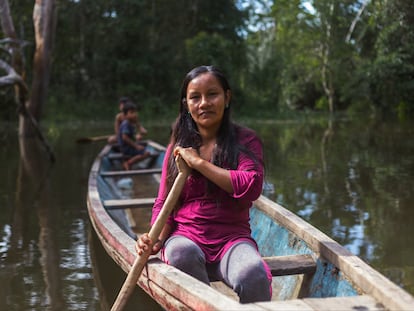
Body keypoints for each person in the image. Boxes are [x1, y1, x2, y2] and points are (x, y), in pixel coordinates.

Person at [136, 65, 272, 303]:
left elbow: (251, 186)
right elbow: (164, 203)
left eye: (212, 94)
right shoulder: (177, 148)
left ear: (226, 97)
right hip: (186, 236)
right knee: (180, 254)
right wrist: (154, 239)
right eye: (195, 97)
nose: (204, 103)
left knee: (254, 277)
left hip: (232, 239)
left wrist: (198, 163)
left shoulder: (246, 140)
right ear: (186, 104)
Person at [118, 101, 151, 170]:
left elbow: (143, 132)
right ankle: (128, 163)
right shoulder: (126, 124)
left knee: (144, 149)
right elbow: (124, 137)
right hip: (126, 148)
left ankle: (128, 161)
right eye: (132, 113)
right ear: (125, 115)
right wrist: (136, 146)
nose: (135, 114)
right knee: (146, 153)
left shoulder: (131, 123)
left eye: (135, 112)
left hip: (129, 146)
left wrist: (137, 124)